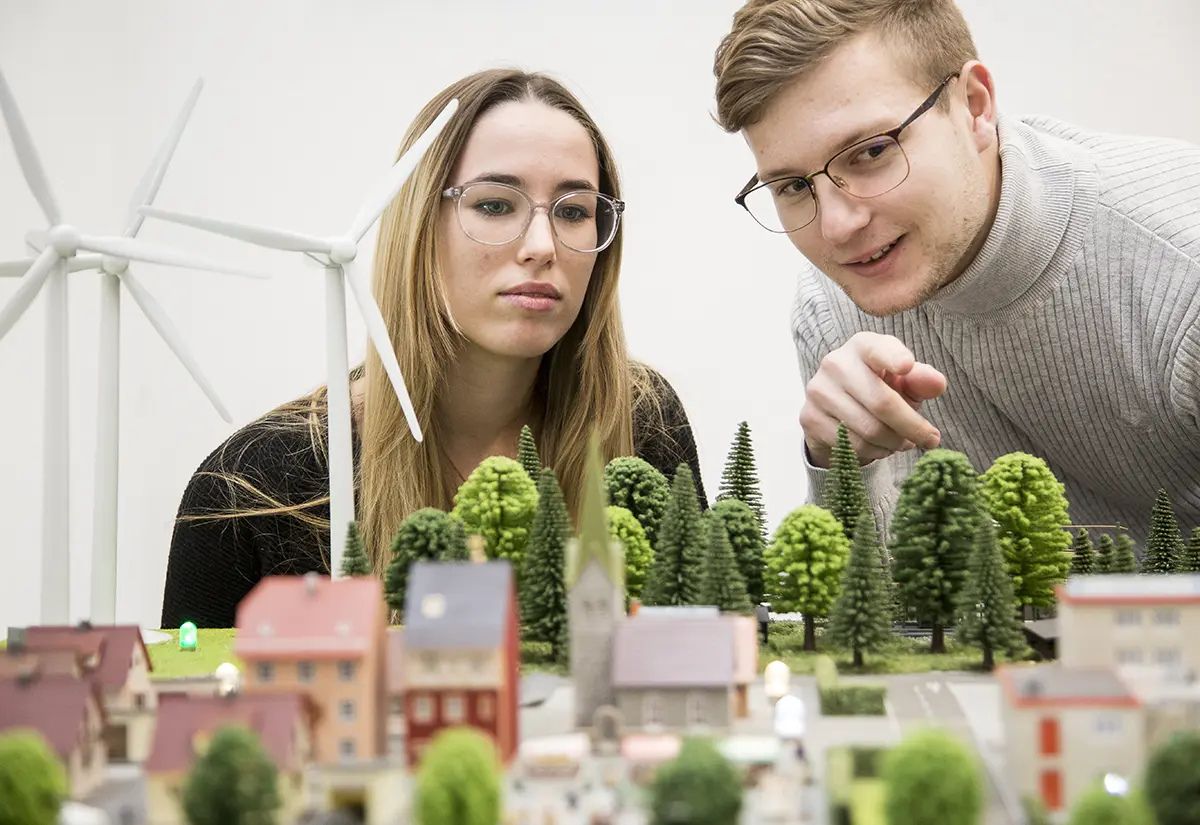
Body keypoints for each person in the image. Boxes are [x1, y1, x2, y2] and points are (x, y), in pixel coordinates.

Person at [160, 69, 706, 629]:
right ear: (418, 222)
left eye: (573, 211)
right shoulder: (252, 490)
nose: (543, 247)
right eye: (495, 205)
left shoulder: (641, 421)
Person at [711, 0, 1199, 549]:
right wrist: (840, 464)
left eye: (871, 151)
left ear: (974, 106)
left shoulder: (1184, 268)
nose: (838, 227)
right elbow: (886, 612)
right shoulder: (834, 309)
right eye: (794, 187)